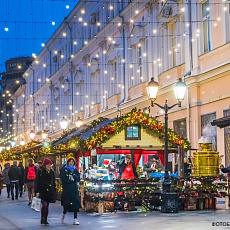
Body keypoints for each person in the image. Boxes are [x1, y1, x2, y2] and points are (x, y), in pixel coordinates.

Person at [60, 154, 81, 225]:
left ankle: (75, 218)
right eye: (70, 161)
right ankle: (64, 214)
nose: (71, 163)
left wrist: (74, 176)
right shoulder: (64, 170)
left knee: (75, 204)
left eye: (72, 162)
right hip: (67, 190)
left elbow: (78, 179)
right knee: (66, 204)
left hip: (74, 189)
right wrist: (70, 181)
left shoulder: (75, 170)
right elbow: (63, 179)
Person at [35, 158, 56, 226]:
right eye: (48, 164)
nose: (49, 165)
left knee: (47, 206)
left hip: (49, 191)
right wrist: (37, 191)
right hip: (42, 190)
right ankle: (42, 218)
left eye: (50, 164)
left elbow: (53, 181)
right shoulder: (40, 172)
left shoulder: (52, 172)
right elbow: (37, 182)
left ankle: (45, 219)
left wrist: (54, 189)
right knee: (44, 205)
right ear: (45, 165)